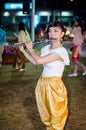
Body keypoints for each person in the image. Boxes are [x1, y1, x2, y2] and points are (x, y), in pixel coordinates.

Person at [19, 21, 70, 130]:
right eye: (50, 31)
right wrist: (24, 51)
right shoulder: (45, 49)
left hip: (54, 87)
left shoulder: (61, 52)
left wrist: (31, 49)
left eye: (56, 31)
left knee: (56, 116)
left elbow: (40, 60)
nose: (52, 34)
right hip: (42, 83)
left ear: (62, 34)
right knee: (45, 112)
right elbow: (36, 62)